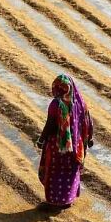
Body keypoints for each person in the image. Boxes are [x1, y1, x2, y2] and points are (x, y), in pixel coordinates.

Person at [36, 74, 94, 209]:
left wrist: (41, 139)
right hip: (76, 146)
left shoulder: (56, 104)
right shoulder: (80, 102)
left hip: (58, 146)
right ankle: (68, 200)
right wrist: (89, 138)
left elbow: (50, 124)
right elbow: (88, 122)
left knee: (55, 172)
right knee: (71, 172)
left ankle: (54, 202)